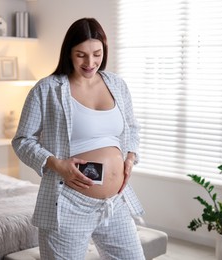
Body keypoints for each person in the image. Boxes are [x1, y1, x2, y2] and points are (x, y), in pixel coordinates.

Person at [12, 17, 145, 260]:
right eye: (81, 54)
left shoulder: (117, 84)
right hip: (68, 202)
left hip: (115, 203)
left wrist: (130, 158)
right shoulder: (47, 89)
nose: (90, 62)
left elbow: (133, 128)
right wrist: (56, 164)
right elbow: (22, 140)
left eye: (97, 53)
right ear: (68, 53)